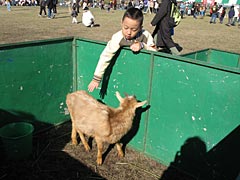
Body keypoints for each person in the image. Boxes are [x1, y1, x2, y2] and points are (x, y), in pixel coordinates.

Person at [88, 7, 156, 92]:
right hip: (125, 75)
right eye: (126, 27)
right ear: (122, 23)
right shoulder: (117, 37)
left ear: (140, 28)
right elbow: (106, 56)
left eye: (134, 29)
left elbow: (155, 52)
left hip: (142, 76)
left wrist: (142, 45)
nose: (129, 32)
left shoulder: (145, 35)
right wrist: (96, 78)